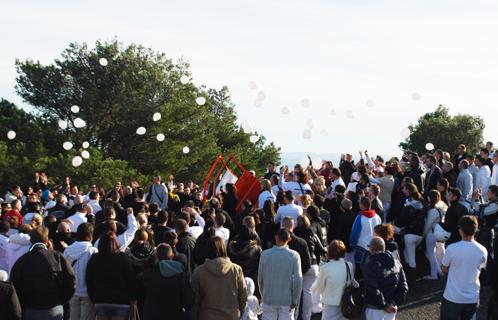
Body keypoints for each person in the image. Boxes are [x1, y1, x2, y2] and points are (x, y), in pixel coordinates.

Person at [10, 226, 76, 320]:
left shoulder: (23, 261)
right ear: (47, 240)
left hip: (31, 309)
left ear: (31, 241)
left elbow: (14, 285)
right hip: (53, 308)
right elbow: (71, 281)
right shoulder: (57, 257)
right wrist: (61, 300)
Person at [440, 215, 487, 320]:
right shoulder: (482, 250)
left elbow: (444, 268)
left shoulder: (452, 248)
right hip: (472, 297)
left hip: (452, 297)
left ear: (461, 230)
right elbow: (481, 267)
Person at [191, 236, 247, 320]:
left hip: (206, 316)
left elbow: (195, 301)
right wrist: (238, 313)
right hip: (231, 316)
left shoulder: (199, 272)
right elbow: (243, 296)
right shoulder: (236, 270)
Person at [86, 231, 137, 320]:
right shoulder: (123, 258)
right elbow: (130, 280)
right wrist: (133, 297)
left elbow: (89, 280)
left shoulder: (95, 259)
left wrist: (92, 297)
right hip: (121, 301)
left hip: (101, 299)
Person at [137, 243, 194, 320]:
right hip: (175, 315)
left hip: (153, 315)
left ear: (156, 257)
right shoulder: (182, 275)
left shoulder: (149, 274)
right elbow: (189, 300)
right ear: (172, 256)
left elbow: (139, 281)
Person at [258, 229, 303, 320]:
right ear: (289, 239)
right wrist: (295, 299)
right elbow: (298, 279)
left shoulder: (264, 254)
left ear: (276, 237)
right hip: (287, 300)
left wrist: (263, 295)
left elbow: (260, 278)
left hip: (269, 297)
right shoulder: (294, 256)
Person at [364, 236, 408, 320]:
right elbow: (404, 286)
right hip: (392, 308)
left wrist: (385, 305)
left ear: (372, 249)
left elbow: (372, 288)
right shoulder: (396, 262)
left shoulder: (371, 264)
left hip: (375, 308)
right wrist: (394, 303)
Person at [311, 240, 354, 320]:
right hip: (345, 303)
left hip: (330, 305)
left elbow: (318, 288)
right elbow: (351, 282)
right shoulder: (349, 265)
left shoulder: (325, 268)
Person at [63, 223, 98, 320]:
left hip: (73, 292)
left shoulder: (68, 250)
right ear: (90, 235)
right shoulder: (93, 251)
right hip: (88, 293)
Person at [394, 183, 425, 283]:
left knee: (411, 257)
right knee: (406, 253)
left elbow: (402, 221)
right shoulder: (422, 205)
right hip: (420, 234)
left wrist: (395, 224)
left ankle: (412, 279)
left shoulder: (408, 207)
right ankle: (412, 274)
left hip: (410, 234)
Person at [350, 197, 382, 274]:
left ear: (362, 205)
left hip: (362, 247)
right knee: (372, 270)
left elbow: (354, 233)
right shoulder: (377, 217)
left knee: (362, 270)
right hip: (375, 247)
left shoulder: (360, 217)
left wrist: (352, 244)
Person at [423, 190, 448, 280]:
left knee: (430, 254)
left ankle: (434, 274)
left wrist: (422, 235)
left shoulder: (433, 210)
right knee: (431, 253)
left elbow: (428, 225)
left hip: (431, 233)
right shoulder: (442, 207)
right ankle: (439, 271)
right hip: (437, 233)